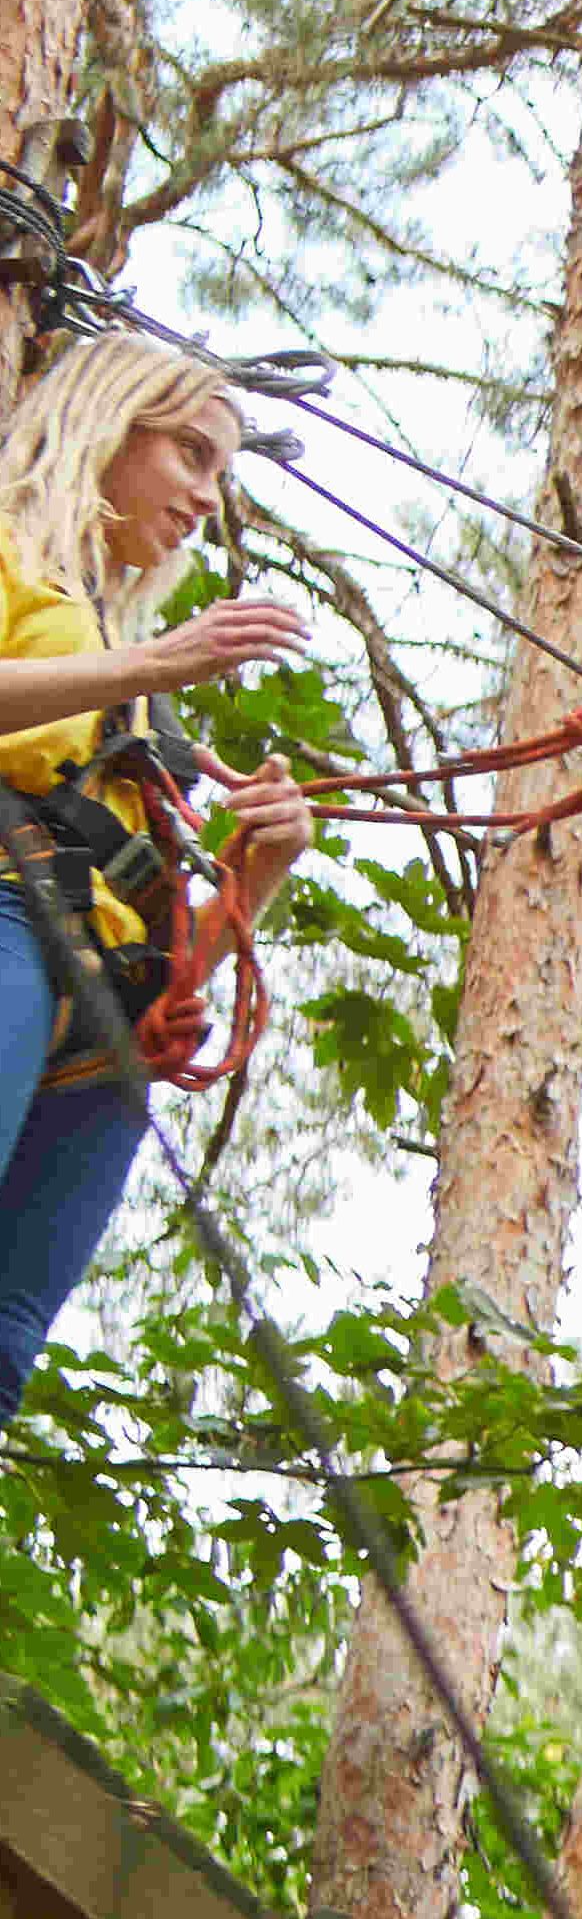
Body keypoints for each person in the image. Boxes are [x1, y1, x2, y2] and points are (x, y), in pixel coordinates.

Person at [0, 336, 316, 1410]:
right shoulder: (13, 562)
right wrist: (152, 664)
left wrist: (251, 872)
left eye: (219, 473)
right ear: (110, 419)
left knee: (3, 1350)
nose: (204, 496)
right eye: (191, 453)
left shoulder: (131, 689)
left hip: (101, 1034)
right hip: (7, 921)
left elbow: (179, 970)